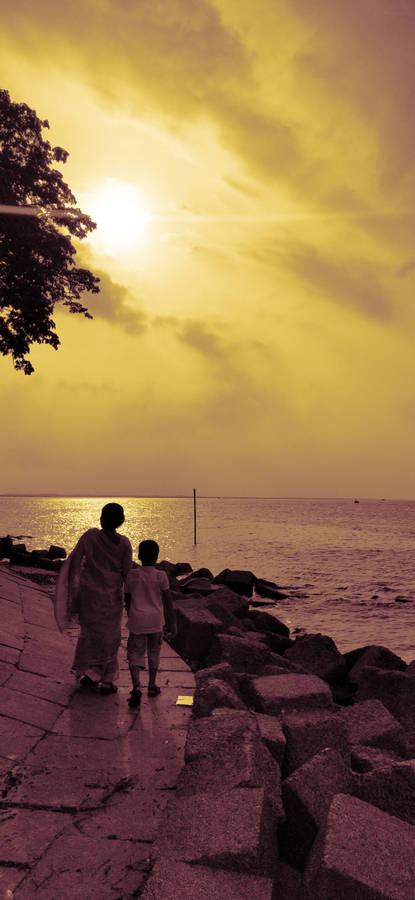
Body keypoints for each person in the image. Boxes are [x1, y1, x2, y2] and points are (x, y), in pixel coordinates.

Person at [54, 502, 132, 695]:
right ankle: (106, 680)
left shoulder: (90, 537)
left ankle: (89, 674)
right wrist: (132, 600)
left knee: (89, 636)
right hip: (111, 598)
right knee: (110, 638)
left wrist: (74, 589)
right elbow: (127, 574)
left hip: (89, 596)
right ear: (121, 521)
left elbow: (74, 562)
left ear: (101, 518)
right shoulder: (124, 543)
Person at [125, 539, 177, 708]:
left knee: (134, 652)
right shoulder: (161, 576)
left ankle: (136, 686)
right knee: (154, 652)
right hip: (155, 621)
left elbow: (127, 599)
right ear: (156, 557)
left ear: (139, 556)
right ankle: (152, 685)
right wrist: (173, 624)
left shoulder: (131, 575)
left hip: (137, 620)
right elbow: (168, 603)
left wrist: (130, 614)